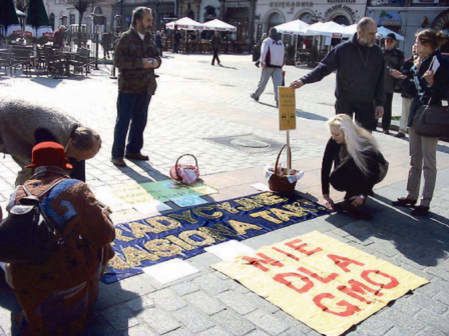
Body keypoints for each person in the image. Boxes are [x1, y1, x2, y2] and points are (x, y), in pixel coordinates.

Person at [3, 141, 115, 335]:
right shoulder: (76, 188)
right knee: (103, 244)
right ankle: (84, 299)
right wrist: (103, 213)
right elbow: (105, 235)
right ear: (64, 165)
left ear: (35, 166)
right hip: (63, 275)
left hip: (22, 277)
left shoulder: (19, 191)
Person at [390, 29, 449, 216]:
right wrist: (402, 78)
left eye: (417, 41)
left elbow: (445, 92)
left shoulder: (442, 62)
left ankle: (425, 202)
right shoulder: (418, 61)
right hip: (416, 114)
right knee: (415, 159)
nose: (414, 44)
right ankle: (411, 195)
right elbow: (413, 90)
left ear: (427, 45)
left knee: (429, 162)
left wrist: (432, 84)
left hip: (431, 117)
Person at [290, 17, 385, 131]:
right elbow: (324, 68)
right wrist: (303, 80)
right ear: (360, 32)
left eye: (375, 33)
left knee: (364, 141)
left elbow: (381, 79)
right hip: (345, 102)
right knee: (340, 136)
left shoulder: (377, 52)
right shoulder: (343, 49)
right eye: (371, 34)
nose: (375, 37)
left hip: (367, 103)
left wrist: (380, 103)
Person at [0, 98, 101, 185]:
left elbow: (77, 174)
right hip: (6, 118)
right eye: (80, 157)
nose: (78, 160)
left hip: (23, 114)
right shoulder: (49, 140)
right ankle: (19, 201)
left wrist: (81, 192)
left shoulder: (80, 134)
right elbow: (40, 173)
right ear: (74, 144)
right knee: (30, 171)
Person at [111, 7, 161, 167]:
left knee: (140, 121)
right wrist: (140, 63)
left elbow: (157, 56)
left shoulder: (149, 38)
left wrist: (156, 62)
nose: (150, 23)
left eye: (151, 20)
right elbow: (117, 61)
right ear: (138, 20)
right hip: (128, 87)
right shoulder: (125, 38)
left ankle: (133, 150)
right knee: (123, 121)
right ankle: (117, 154)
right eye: (148, 20)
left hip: (146, 87)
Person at [322, 114, 388, 219]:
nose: (333, 138)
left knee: (354, 165)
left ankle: (356, 197)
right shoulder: (333, 140)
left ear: (347, 133)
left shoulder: (364, 145)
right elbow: (326, 165)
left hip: (378, 169)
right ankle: (352, 197)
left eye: (337, 134)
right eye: (332, 134)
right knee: (336, 176)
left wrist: (362, 194)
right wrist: (326, 196)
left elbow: (373, 173)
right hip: (357, 168)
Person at [250, 28, 285, 106]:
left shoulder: (267, 41)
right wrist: (282, 62)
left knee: (263, 82)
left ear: (270, 33)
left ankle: (256, 95)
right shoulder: (280, 42)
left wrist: (262, 62)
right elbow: (283, 53)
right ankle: (278, 101)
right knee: (278, 85)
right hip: (278, 66)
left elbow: (263, 52)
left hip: (268, 65)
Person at [382, 33, 404, 135]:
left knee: (387, 108)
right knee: (373, 105)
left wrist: (398, 84)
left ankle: (385, 127)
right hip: (377, 84)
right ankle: (372, 124)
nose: (388, 43)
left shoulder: (399, 54)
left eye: (390, 41)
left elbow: (401, 69)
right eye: (387, 40)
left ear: (394, 42)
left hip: (390, 85)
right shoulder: (379, 51)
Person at [395, 44, 418, 138]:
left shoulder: (423, 61)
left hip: (417, 93)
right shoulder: (408, 62)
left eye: (416, 49)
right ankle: (402, 130)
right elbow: (403, 73)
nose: (415, 51)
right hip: (407, 91)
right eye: (413, 49)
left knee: (416, 114)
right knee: (405, 112)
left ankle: (414, 131)